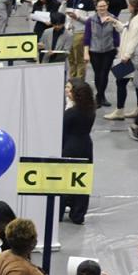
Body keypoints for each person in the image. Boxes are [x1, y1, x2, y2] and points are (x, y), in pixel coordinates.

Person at [60, 80, 95, 224]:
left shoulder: (71, 113)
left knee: (64, 180)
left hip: (70, 147)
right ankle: (78, 213)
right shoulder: (90, 109)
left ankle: (60, 211)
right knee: (81, 180)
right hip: (86, 146)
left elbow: (62, 130)